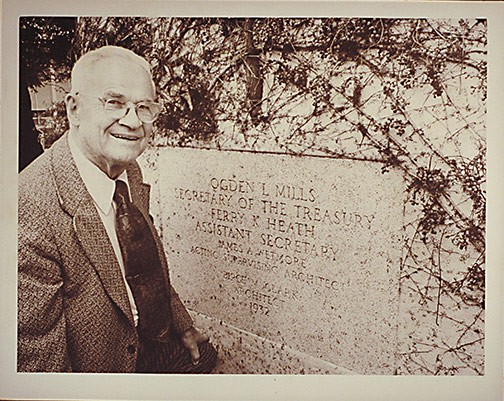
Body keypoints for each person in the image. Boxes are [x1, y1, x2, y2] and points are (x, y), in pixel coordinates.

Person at [17, 45, 218, 373]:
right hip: (100, 375)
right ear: (75, 109)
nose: (132, 121)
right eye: (115, 102)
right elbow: (42, 369)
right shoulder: (29, 211)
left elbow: (146, 261)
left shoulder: (127, 168)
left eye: (144, 107)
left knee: (205, 358)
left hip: (151, 340)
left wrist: (182, 325)